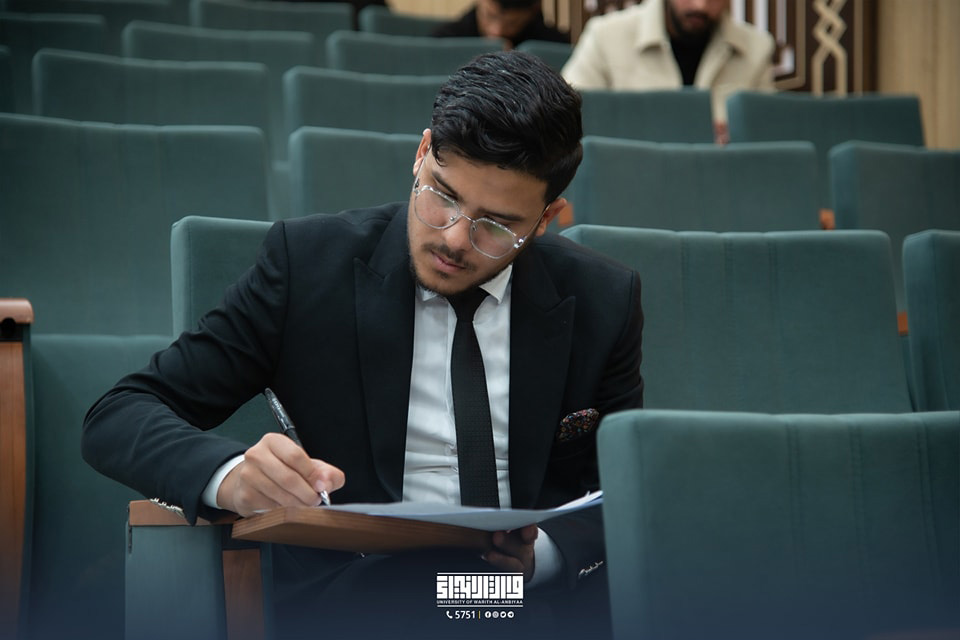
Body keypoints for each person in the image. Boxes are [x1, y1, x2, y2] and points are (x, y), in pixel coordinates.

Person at [81, 51, 642, 639]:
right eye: (443, 196)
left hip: (524, 598)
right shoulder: (307, 267)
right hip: (366, 590)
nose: (455, 239)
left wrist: (543, 557)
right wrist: (231, 474)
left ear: (547, 218)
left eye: (497, 226)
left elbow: (625, 490)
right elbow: (119, 415)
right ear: (422, 152)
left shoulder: (603, 300)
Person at [561, 0, 775, 142]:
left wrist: (735, 138)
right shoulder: (606, 36)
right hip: (626, 179)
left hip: (722, 182)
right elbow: (562, 124)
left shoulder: (757, 48)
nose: (700, 5)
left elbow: (768, 138)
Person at [432, 0, 569, 49]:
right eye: (489, 16)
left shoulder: (553, 46)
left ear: (533, 12)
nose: (496, 31)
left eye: (512, 23)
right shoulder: (443, 42)